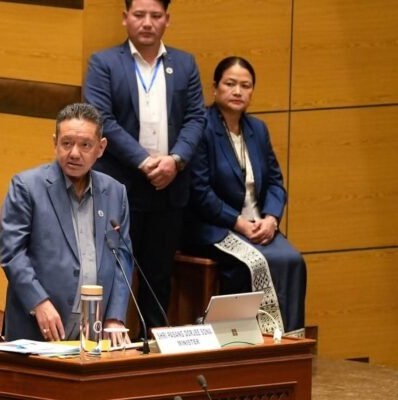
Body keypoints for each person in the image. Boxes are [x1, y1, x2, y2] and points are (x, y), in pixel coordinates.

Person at [83, 0, 206, 332]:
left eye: (155, 16)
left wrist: (175, 161)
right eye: (139, 15)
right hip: (121, 187)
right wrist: (145, 161)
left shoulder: (184, 64)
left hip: (169, 187)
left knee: (158, 277)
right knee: (111, 269)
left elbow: (196, 118)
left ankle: (152, 345)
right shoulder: (104, 63)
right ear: (125, 19)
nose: (147, 22)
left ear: (167, 19)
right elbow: (101, 119)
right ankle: (103, 342)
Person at [181, 56, 306, 335]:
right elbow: (199, 191)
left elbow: (275, 182)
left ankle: (288, 342)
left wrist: (271, 219)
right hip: (213, 226)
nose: (238, 91)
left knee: (293, 260)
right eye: (230, 84)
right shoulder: (200, 127)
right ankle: (240, 343)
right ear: (215, 88)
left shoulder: (257, 129)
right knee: (250, 264)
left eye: (245, 86)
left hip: (258, 224)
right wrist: (238, 223)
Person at [0, 103, 133, 345]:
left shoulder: (115, 192)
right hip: (38, 328)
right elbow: (13, 254)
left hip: (94, 331)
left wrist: (115, 317)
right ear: (55, 143)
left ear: (101, 148)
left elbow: (122, 258)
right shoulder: (26, 187)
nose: (74, 153)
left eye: (85, 145)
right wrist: (38, 302)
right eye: (67, 143)